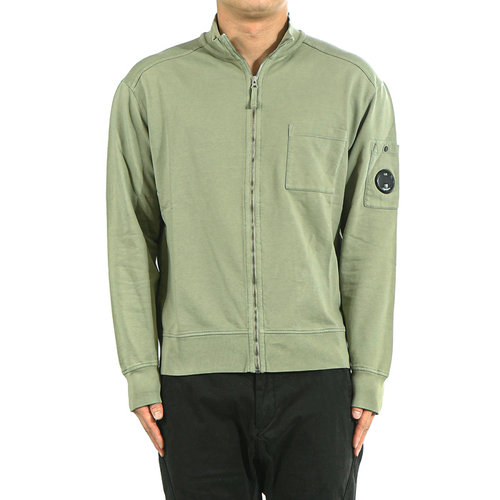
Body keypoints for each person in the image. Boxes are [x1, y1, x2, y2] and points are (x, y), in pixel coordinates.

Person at [105, 1, 400, 498]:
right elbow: (129, 238)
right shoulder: (150, 88)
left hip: (319, 381)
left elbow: (370, 242)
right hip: (193, 381)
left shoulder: (354, 85)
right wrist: (140, 371)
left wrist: (369, 373)